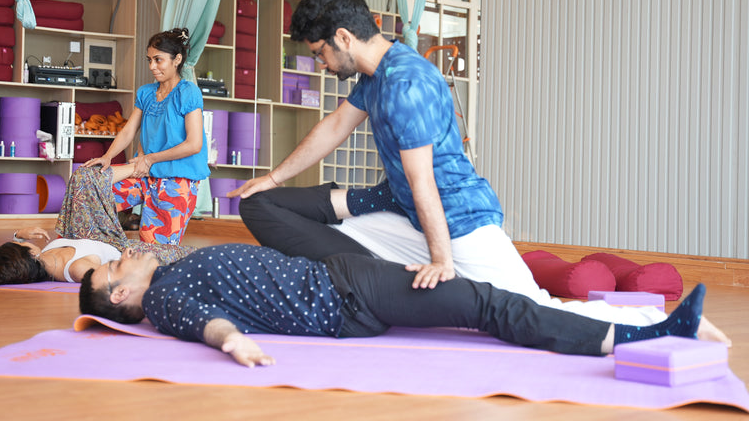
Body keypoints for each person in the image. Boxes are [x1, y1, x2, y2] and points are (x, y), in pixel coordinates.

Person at [230, 0, 664, 325]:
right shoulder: (377, 73)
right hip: (410, 217)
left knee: (538, 309)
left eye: (320, 52)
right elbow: (334, 127)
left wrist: (442, 261)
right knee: (288, 212)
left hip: (459, 223)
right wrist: (274, 178)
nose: (322, 63)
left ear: (343, 37)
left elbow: (425, 182)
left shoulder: (405, 84)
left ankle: (657, 323)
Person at [79, 243, 729, 368]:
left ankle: (642, 324)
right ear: (124, 295)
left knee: (489, 298)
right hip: (345, 297)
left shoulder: (173, 270)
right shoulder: (167, 299)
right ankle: (629, 338)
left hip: (345, 279)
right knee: (487, 304)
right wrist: (233, 343)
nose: (126, 255)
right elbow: (203, 323)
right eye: (116, 266)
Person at [0, 165, 196, 290]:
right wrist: (129, 259)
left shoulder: (44, 255)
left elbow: (10, 257)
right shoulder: (77, 269)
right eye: (20, 244)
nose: (22, 241)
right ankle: (150, 167)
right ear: (29, 254)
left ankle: (142, 165)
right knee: (187, 256)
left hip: (80, 230)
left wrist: (18, 233)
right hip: (114, 242)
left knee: (82, 175)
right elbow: (108, 279)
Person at [84, 28, 209, 245]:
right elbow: (128, 130)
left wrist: (149, 158)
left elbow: (194, 144)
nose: (152, 66)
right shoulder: (146, 93)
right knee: (91, 193)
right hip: (144, 173)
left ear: (177, 59)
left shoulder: (188, 92)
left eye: (158, 60)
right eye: (150, 60)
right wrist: (107, 157)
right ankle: (101, 252)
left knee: (154, 249)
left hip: (176, 181)